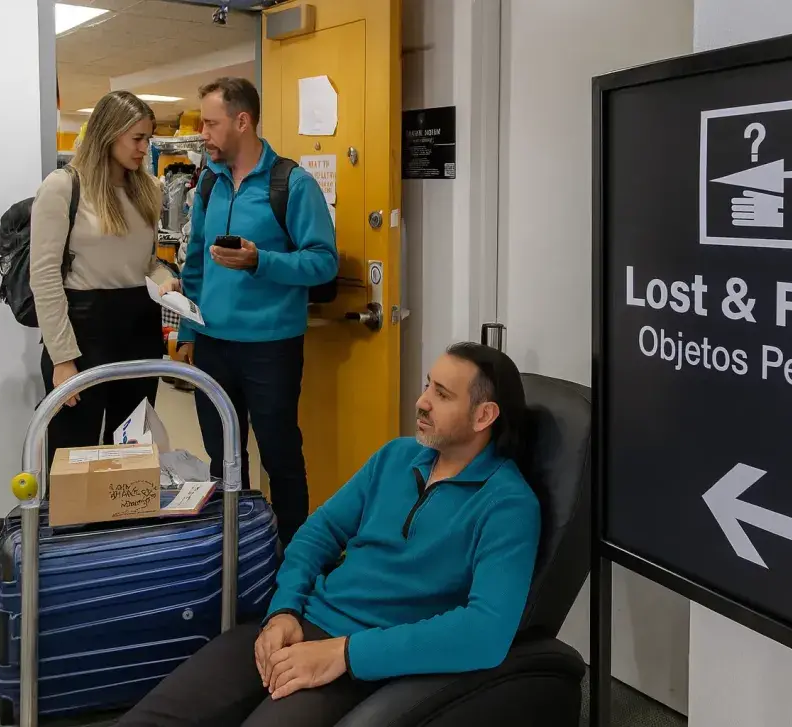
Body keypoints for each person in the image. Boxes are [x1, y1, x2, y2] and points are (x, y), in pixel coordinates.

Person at [116, 342, 541, 727]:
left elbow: (485, 632)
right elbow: (318, 532)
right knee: (153, 717)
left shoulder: (508, 505)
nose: (422, 401)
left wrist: (345, 654)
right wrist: (283, 610)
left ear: (484, 415)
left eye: (442, 394)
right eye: (427, 385)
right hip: (303, 622)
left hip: (368, 660)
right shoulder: (397, 457)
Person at [162, 77, 337, 545]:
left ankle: (294, 554)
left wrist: (261, 260)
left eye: (211, 123)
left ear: (243, 121)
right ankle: (237, 552)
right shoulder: (207, 186)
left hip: (271, 348)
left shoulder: (292, 184)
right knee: (223, 457)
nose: (203, 132)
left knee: (280, 455)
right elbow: (194, 261)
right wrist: (189, 335)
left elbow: (323, 262)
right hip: (214, 346)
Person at [30, 91, 164, 462]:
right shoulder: (63, 186)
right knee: (75, 460)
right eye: (137, 138)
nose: (144, 148)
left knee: (132, 459)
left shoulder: (148, 189)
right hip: (83, 333)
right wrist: (62, 358)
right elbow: (43, 277)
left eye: (148, 138)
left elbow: (148, 262)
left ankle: (128, 524)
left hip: (139, 329)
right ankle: (73, 525)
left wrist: (165, 278)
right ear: (109, 133)